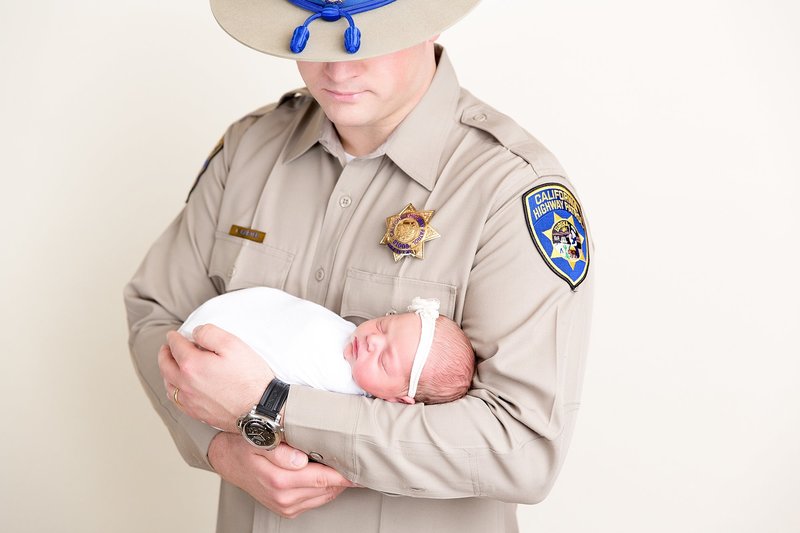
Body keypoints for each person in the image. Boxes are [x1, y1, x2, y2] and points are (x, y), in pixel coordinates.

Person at [124, 1, 595, 531]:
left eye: (364, 40)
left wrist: (273, 406)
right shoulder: (249, 149)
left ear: (431, 19)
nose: (338, 69)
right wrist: (219, 447)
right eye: (316, 40)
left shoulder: (509, 190)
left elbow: (521, 448)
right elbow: (154, 311)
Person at [178, 287, 474, 404]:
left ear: (398, 400)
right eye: (384, 326)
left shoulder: (342, 397)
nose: (372, 340)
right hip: (213, 329)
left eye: (384, 360)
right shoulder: (344, 333)